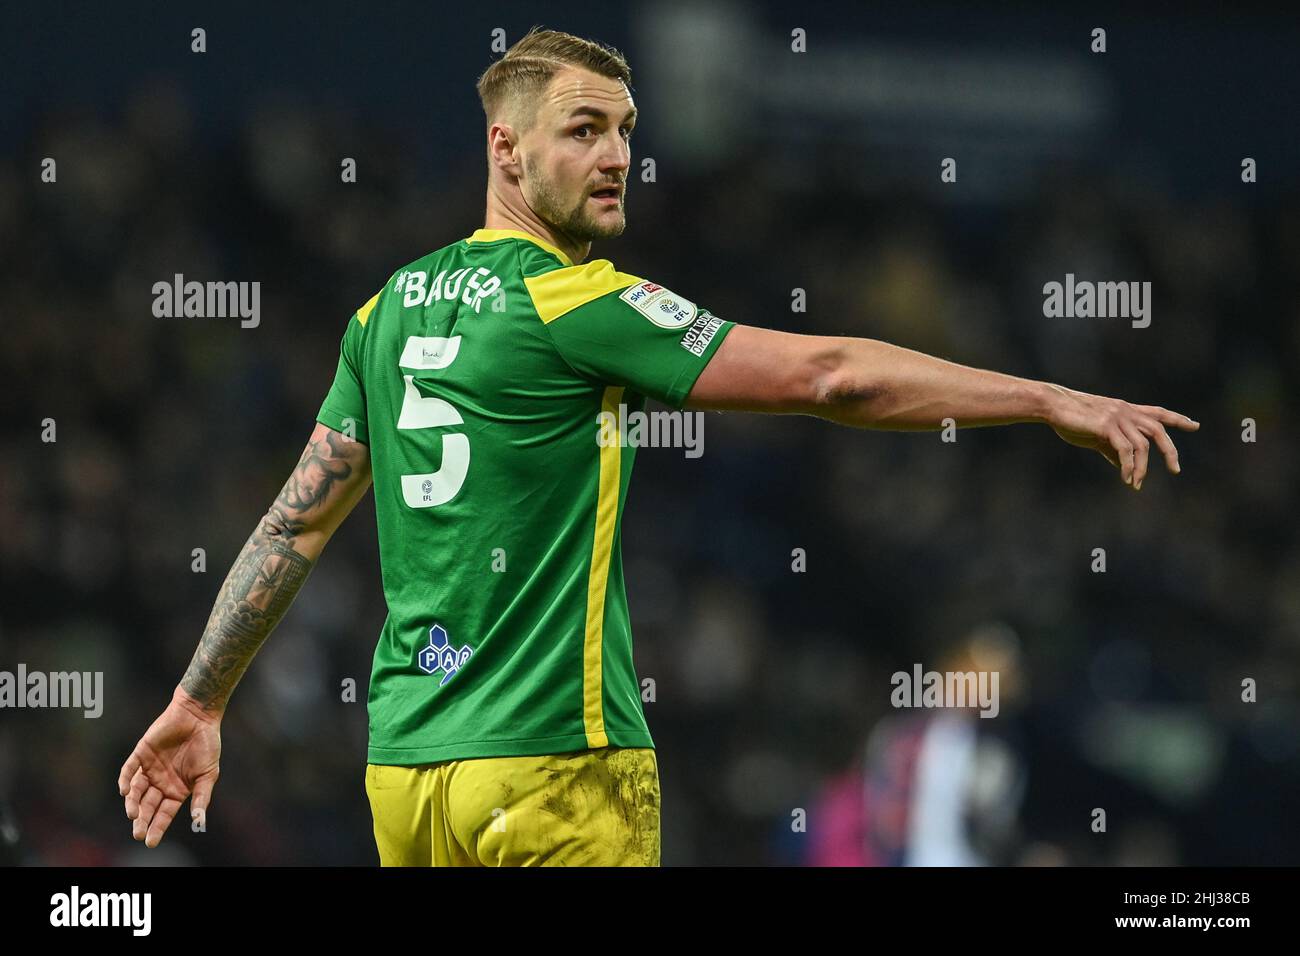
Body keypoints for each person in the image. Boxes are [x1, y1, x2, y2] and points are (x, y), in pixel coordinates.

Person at [118, 27, 1198, 866]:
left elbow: (296, 518)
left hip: (409, 774)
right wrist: (1047, 396)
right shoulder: (574, 298)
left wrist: (200, 699)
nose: (617, 155)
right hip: (555, 771)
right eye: (583, 129)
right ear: (505, 146)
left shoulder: (384, 311)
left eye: (626, 130)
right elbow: (830, 376)